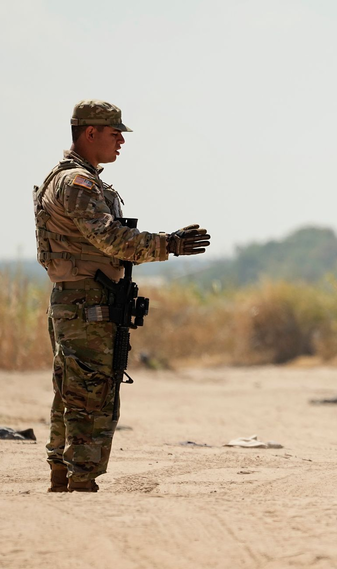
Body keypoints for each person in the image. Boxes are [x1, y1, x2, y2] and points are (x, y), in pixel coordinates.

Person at [34, 100, 211, 493]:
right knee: (91, 389)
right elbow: (109, 239)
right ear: (89, 133)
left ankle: (64, 472)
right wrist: (169, 245)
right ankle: (80, 477)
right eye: (114, 134)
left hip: (80, 299)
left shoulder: (81, 180)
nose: (121, 142)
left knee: (74, 386)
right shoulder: (76, 183)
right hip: (84, 304)